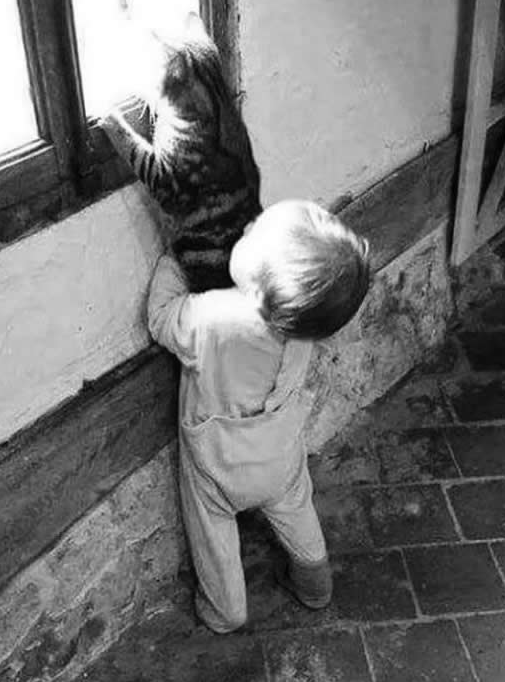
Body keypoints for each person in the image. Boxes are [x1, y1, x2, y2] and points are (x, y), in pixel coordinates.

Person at [147, 199, 370, 633]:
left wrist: (176, 260)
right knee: (295, 508)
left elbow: (159, 318)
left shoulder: (212, 317)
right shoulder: (301, 324)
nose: (246, 226)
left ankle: (225, 612)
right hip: (278, 454)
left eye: (252, 233)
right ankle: (315, 584)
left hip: (218, 465)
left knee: (213, 535)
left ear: (260, 282)